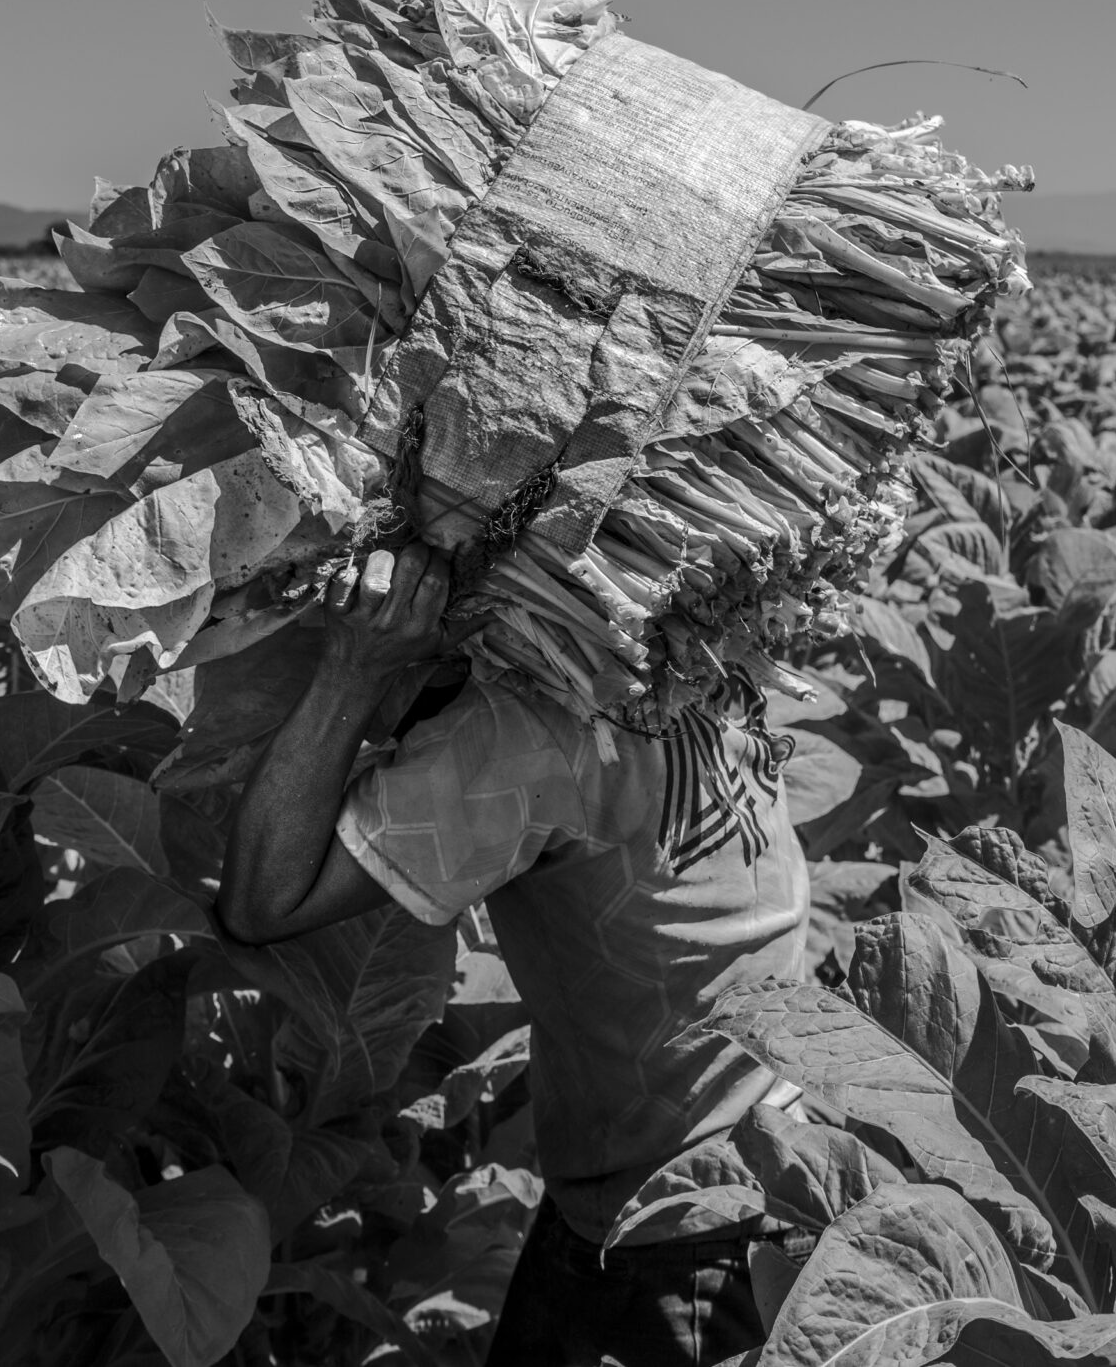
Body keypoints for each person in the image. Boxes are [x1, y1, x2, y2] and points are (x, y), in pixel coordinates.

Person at [216, 544, 813, 1367]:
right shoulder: (703, 647)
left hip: (671, 1236)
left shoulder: (520, 732)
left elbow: (260, 901)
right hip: (776, 1153)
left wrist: (355, 664)